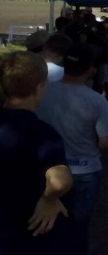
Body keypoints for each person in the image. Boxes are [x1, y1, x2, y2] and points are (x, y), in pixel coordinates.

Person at [35, 43, 108, 255]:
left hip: (48, 170)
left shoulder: (42, 92)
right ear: (91, 69)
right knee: (78, 229)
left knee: (45, 225)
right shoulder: (96, 101)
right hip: (84, 171)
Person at [0, 51, 73, 254]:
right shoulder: (41, 133)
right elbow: (60, 181)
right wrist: (49, 199)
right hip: (27, 232)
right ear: (39, 87)